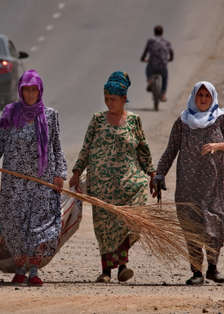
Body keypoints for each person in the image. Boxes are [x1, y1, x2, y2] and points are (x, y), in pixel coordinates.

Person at [0, 69, 67, 286]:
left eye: (34, 90)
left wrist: (60, 174)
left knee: (39, 227)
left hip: (41, 183)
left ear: (40, 91)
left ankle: (33, 270)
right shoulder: (10, 113)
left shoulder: (50, 116)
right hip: (14, 185)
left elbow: (57, 148)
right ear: (21, 91)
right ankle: (20, 268)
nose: (31, 94)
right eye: (27, 90)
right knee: (14, 225)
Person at [153, 81, 224, 285]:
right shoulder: (182, 121)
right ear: (194, 97)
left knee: (218, 221)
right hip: (187, 184)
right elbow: (171, 150)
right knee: (191, 226)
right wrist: (159, 174)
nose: (203, 99)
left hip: (214, 185)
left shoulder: (221, 119)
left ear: (212, 98)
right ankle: (196, 272)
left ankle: (213, 267)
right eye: (200, 96)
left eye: (207, 96)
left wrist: (220, 145)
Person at [69, 71, 156, 283]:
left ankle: (122, 264)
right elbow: (86, 148)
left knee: (131, 222)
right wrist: (76, 171)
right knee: (105, 228)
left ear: (124, 99)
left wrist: (153, 174)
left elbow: (143, 150)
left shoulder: (134, 121)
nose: (109, 103)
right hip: (102, 186)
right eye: (106, 99)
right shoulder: (97, 120)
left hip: (129, 184)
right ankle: (107, 271)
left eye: (113, 99)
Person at [140, 25, 174, 102]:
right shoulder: (166, 42)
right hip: (163, 66)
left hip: (152, 65)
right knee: (165, 78)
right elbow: (171, 52)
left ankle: (149, 82)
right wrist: (170, 59)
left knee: (147, 69)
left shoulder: (150, 41)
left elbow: (146, 51)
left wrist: (142, 59)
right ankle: (163, 95)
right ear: (162, 33)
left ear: (154, 32)